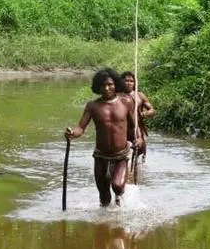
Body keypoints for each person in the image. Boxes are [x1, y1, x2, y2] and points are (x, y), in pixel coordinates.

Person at [65, 68, 136, 207]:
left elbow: (134, 127)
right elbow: (81, 128)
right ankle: (105, 223)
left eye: (110, 84)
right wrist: (72, 134)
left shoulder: (126, 102)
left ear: (116, 85)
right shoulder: (93, 106)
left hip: (121, 155)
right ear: (98, 87)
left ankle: (120, 202)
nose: (107, 88)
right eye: (103, 85)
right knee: (103, 197)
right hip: (100, 156)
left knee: (117, 186)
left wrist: (137, 139)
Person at [121, 71, 156, 163]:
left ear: (135, 83)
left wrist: (144, 114)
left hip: (137, 128)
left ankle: (139, 172)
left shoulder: (139, 95)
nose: (129, 83)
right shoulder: (117, 96)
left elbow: (152, 110)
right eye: (126, 81)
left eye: (131, 81)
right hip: (121, 129)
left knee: (140, 155)